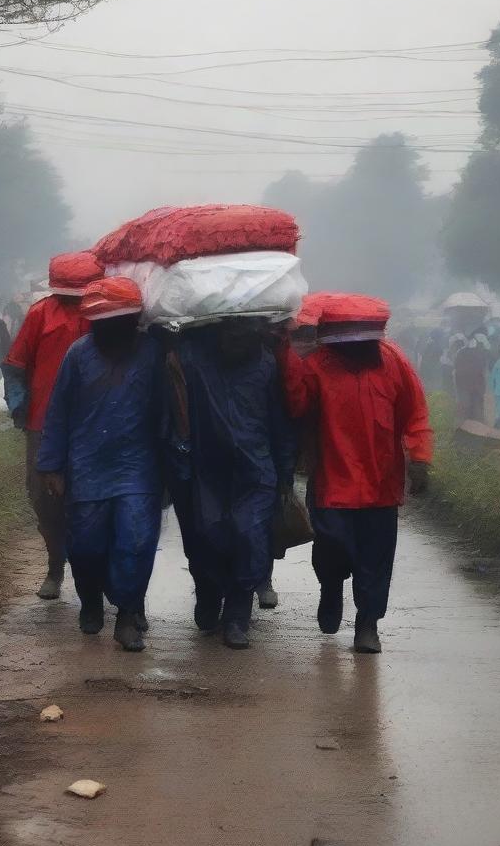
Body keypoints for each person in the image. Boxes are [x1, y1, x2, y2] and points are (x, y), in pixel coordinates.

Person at [278, 296, 432, 654]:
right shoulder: (316, 365)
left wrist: (421, 459)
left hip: (382, 484)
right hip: (332, 481)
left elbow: (415, 413)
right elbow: (297, 404)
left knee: (376, 560)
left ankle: (368, 625)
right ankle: (331, 588)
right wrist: (285, 352)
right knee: (332, 548)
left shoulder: (394, 362)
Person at [37, 277, 164, 653]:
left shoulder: (152, 353)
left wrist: (173, 465)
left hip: (137, 466)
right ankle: (91, 599)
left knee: (137, 541)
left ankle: (127, 615)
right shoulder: (78, 355)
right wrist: (52, 466)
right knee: (87, 545)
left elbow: (168, 411)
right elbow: (57, 412)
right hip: (87, 463)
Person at [167, 319, 295, 650]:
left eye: (244, 334)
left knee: (249, 537)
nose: (236, 340)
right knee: (207, 537)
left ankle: (238, 615)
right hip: (206, 469)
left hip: (255, 469)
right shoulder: (193, 359)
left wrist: (284, 473)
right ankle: (208, 595)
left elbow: (279, 421)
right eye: (230, 334)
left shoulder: (266, 365)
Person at [2, 252, 101, 599]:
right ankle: (55, 566)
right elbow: (16, 363)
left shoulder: (101, 314)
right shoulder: (40, 314)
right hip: (43, 422)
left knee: (93, 498)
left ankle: (95, 570)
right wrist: (18, 403)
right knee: (44, 498)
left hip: (94, 423)